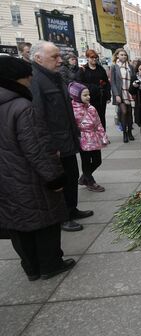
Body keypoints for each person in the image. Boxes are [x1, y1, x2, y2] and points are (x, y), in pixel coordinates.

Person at [0, 55, 76, 280]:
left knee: (18, 224)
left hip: (5, 179)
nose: (31, 79)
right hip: (29, 178)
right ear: (18, 79)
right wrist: (55, 178)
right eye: (28, 75)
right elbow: (38, 149)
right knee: (44, 220)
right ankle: (50, 265)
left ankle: (31, 267)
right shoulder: (22, 107)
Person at [30, 41, 93, 232]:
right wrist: (49, 146)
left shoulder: (54, 77)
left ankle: (72, 209)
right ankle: (63, 216)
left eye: (59, 56)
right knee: (59, 181)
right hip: (54, 143)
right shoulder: (36, 80)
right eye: (54, 57)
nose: (60, 61)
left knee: (72, 175)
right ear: (38, 58)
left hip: (67, 138)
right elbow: (38, 116)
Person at [69, 82, 108, 192]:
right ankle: (90, 181)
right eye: (85, 95)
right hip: (82, 140)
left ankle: (84, 177)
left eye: (88, 94)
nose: (88, 97)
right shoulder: (72, 109)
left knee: (97, 160)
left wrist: (103, 136)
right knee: (85, 161)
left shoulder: (91, 108)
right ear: (77, 96)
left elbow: (98, 123)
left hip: (94, 138)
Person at [79, 49, 111, 129]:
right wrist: (92, 87)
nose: (94, 59)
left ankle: (103, 135)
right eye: (92, 57)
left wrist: (108, 96)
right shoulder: (83, 70)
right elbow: (79, 83)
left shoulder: (100, 69)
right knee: (91, 118)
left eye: (95, 57)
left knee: (101, 117)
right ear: (87, 58)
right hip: (89, 98)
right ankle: (94, 137)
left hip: (101, 98)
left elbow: (106, 82)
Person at [110, 48, 136, 143]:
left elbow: (133, 79)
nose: (123, 56)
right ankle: (124, 133)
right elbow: (112, 83)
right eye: (121, 55)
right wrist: (116, 94)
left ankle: (130, 132)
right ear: (117, 56)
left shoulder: (130, 66)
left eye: (125, 55)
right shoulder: (114, 67)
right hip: (120, 93)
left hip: (129, 93)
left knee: (129, 113)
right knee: (124, 112)